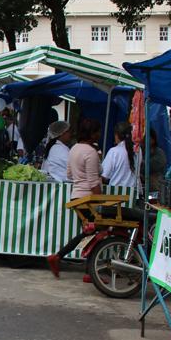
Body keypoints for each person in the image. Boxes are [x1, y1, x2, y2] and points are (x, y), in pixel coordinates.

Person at [46, 119, 102, 277]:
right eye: (97, 132)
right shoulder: (90, 152)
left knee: (90, 234)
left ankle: (88, 271)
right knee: (92, 232)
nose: (99, 135)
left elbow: (70, 174)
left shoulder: (74, 149)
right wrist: (101, 201)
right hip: (87, 199)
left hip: (77, 196)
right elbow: (93, 182)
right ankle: (59, 256)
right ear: (92, 133)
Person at [102, 121, 138, 188]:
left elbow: (105, 176)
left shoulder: (114, 151)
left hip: (116, 195)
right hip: (134, 193)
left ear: (116, 135)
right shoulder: (138, 150)